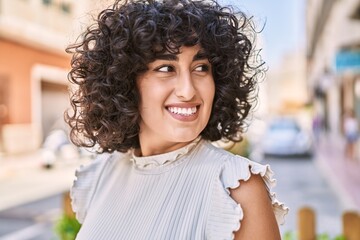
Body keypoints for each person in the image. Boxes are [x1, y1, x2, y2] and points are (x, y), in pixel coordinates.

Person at [65, 0, 288, 239]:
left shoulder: (235, 187)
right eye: (165, 68)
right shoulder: (102, 176)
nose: (188, 91)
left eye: (201, 67)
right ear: (125, 81)